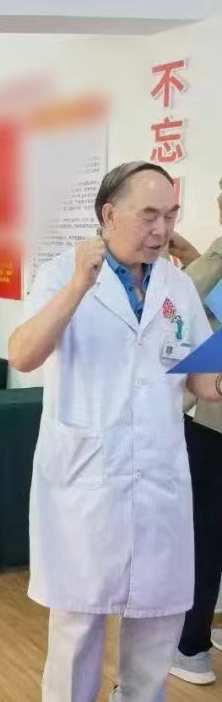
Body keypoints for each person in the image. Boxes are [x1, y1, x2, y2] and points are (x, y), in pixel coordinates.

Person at [8, 161, 222, 702]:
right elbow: (23, 354)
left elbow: (203, 381)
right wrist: (78, 287)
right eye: (149, 215)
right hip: (85, 481)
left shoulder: (176, 284)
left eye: (170, 215)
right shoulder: (61, 273)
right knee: (78, 625)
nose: (162, 229)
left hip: (158, 477)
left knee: (157, 624)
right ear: (109, 214)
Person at [165, 184, 222, 686]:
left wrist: (210, 254)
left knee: (205, 535)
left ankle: (192, 649)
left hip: (213, 422)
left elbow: (183, 300)